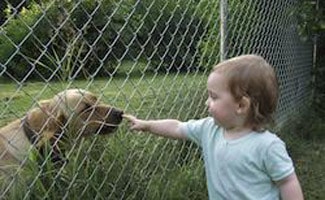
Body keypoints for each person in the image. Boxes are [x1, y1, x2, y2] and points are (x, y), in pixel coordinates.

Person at [123, 54, 304, 200]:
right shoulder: (209, 129)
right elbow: (178, 127)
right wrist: (147, 125)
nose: (207, 102)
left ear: (241, 106)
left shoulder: (268, 146)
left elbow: (287, 182)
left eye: (214, 97)